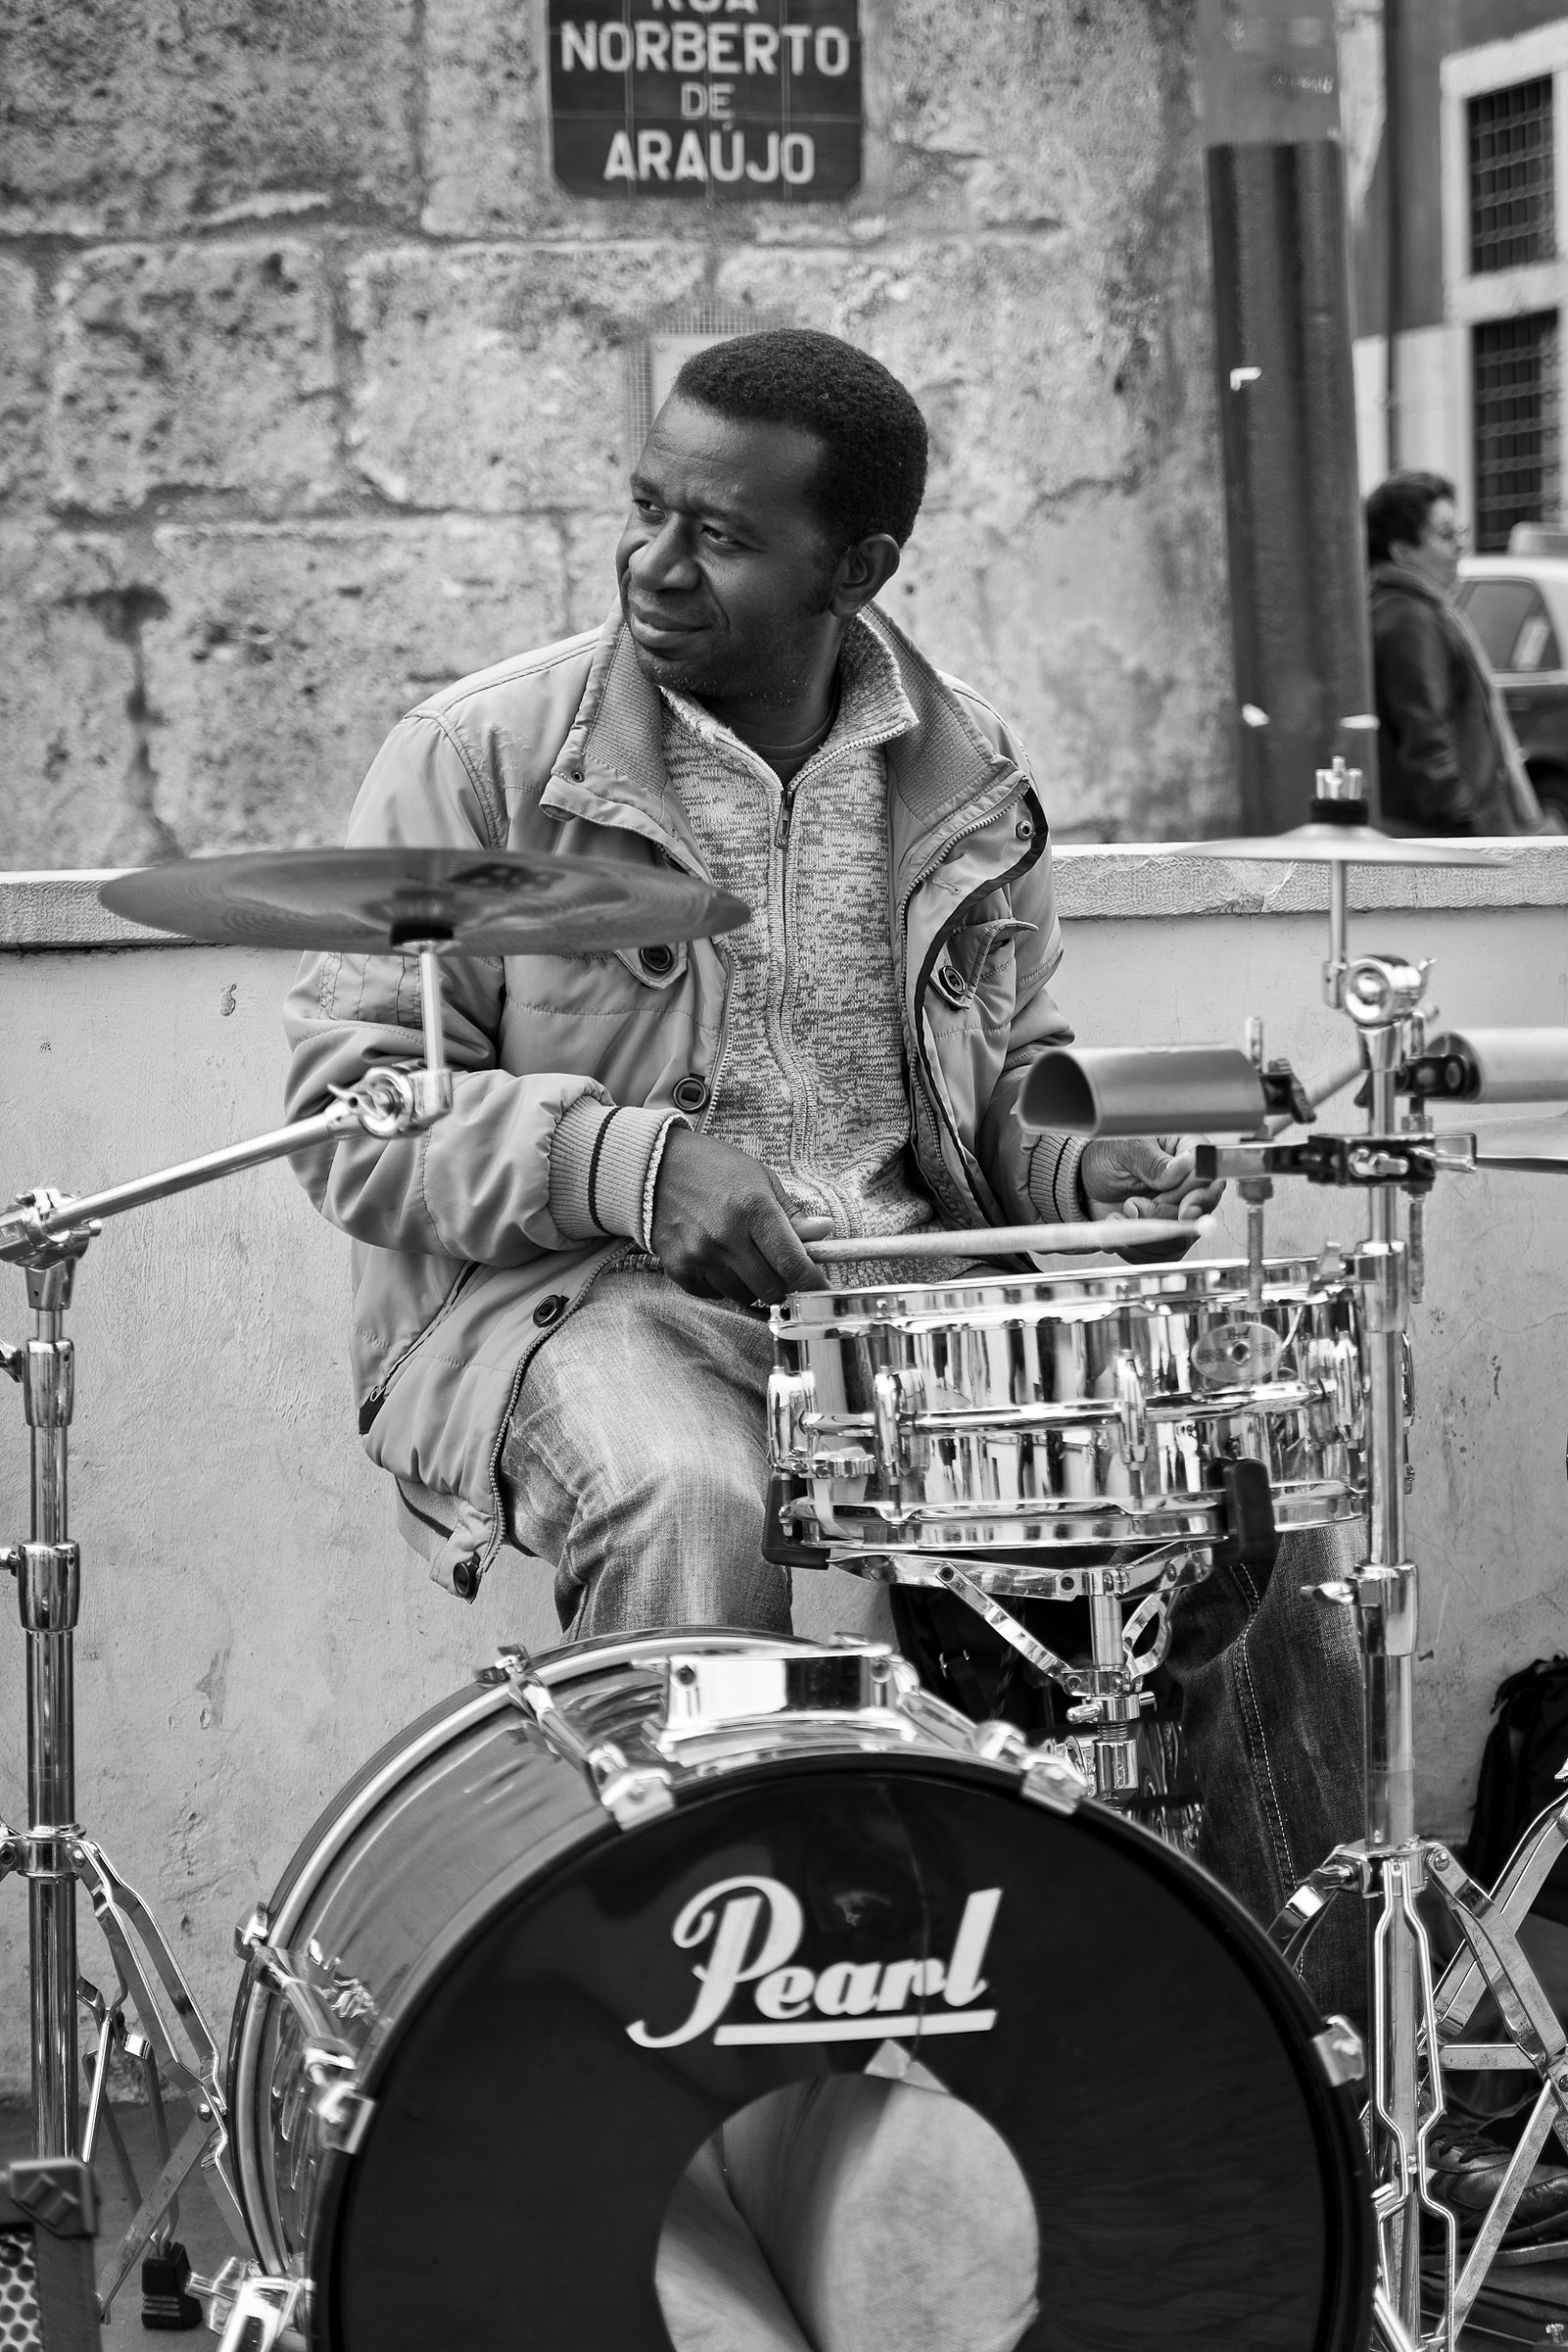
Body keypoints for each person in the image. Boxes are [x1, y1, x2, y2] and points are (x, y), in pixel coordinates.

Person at [285, 327, 1368, 2019]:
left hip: (914, 1310)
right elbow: (346, 1104)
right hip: (596, 1306)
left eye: (716, 536)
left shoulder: (965, 768)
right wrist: (634, 1164)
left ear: (856, 568)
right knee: (691, 1501)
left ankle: (1206, 2032)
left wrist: (1094, 1168)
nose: (652, 562)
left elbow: (1006, 1076)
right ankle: (691, 2032)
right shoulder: (485, 760)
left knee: (1224, 1489)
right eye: (643, 509)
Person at [1367, 469, 1544, 835]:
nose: (1460, 546)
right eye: (1446, 535)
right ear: (1402, 551)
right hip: (1449, 840)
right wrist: (1469, 827)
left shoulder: (1407, 609)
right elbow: (1427, 739)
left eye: (1459, 532)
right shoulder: (1409, 618)